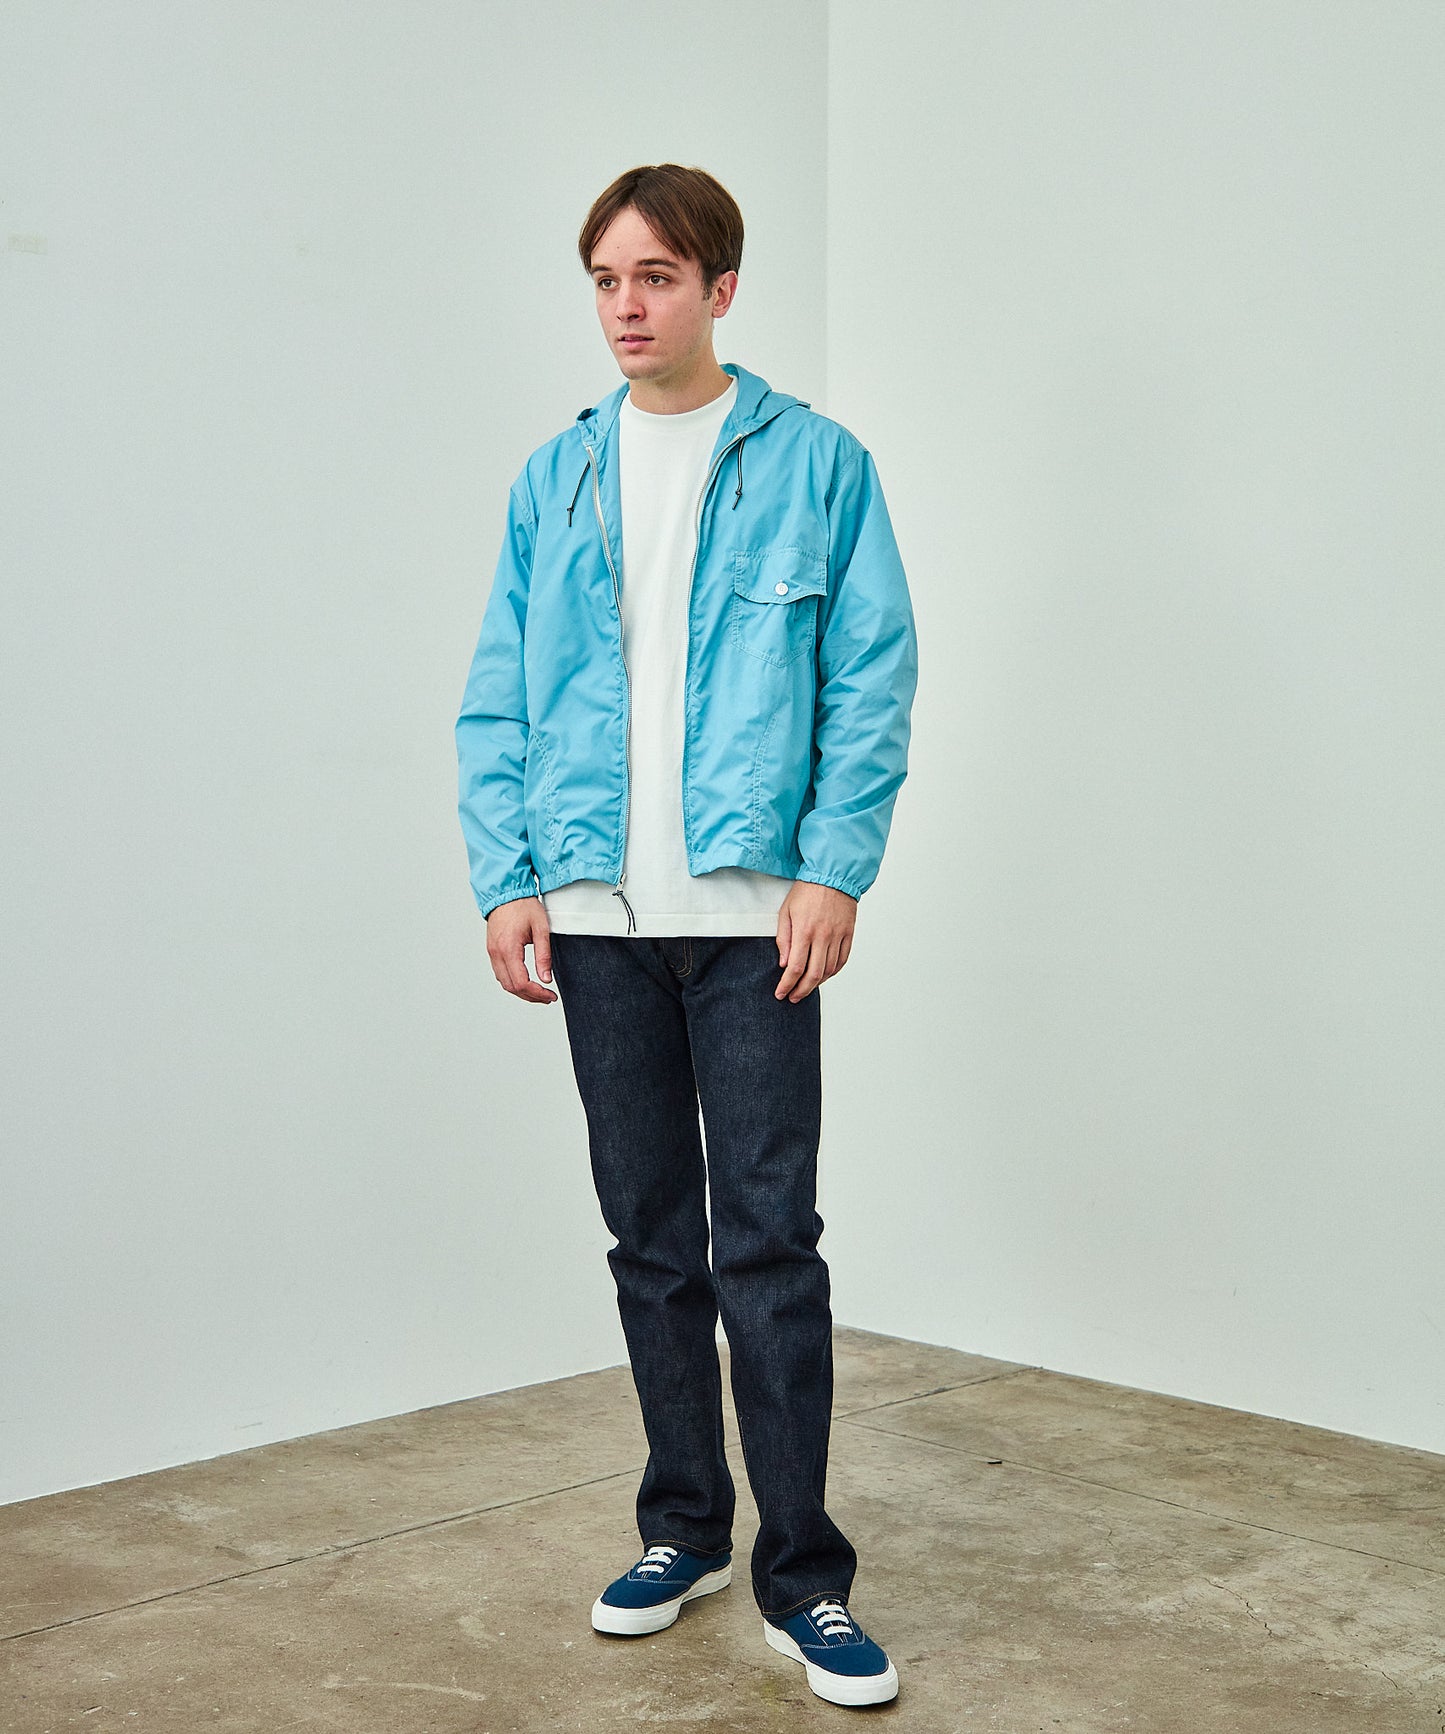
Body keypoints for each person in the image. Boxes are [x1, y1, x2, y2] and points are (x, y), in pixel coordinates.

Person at [454, 163, 918, 1710]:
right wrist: (507, 877)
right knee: (649, 1237)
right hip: (596, 916)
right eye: (604, 279)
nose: (624, 307)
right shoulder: (556, 476)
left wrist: (833, 868)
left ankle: (806, 1575)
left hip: (748, 918)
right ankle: (683, 1526)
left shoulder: (819, 464)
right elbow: (498, 696)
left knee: (764, 1241)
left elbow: (870, 676)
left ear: (721, 286)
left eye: (654, 276)